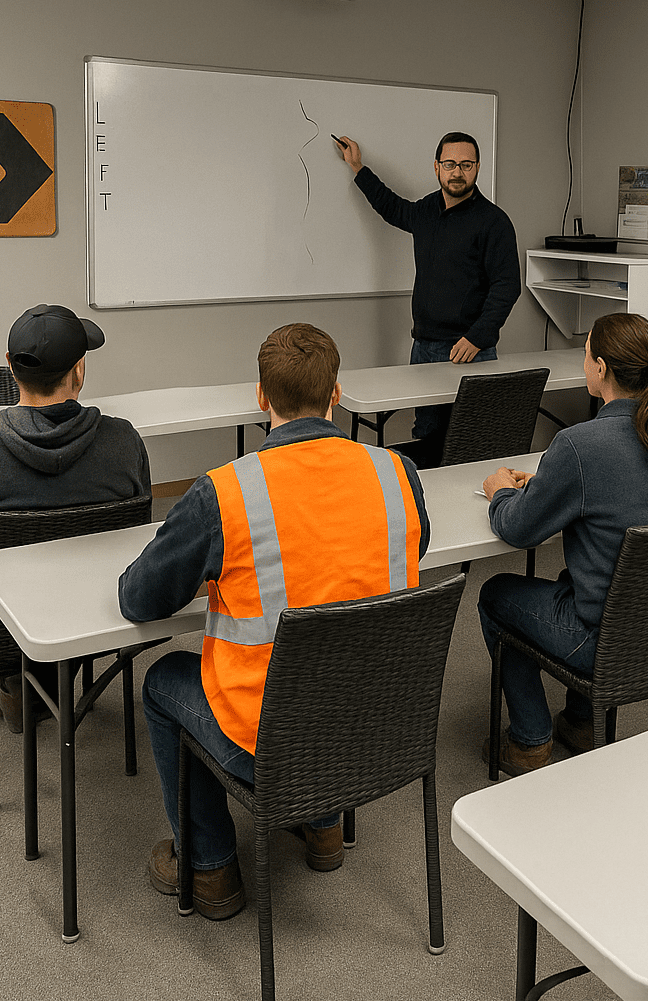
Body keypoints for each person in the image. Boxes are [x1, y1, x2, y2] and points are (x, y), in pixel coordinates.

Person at [118, 323, 430, 920]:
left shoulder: (224, 493)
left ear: (260, 397)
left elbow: (141, 599)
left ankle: (208, 868)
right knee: (331, 653)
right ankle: (323, 827)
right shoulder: (398, 473)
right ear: (336, 392)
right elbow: (408, 554)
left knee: (162, 683)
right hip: (376, 724)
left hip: (271, 740)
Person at [477, 313, 648, 775]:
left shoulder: (580, 444)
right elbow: (622, 492)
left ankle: (530, 741)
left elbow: (518, 529)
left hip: (602, 637)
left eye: (585, 353)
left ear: (600, 368)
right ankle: (580, 721)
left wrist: (501, 491)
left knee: (496, 595)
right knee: (571, 577)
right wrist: (552, 485)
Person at [0, 304, 151, 730]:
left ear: (10, 367)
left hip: (0, 631)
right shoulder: (124, 443)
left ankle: (20, 682)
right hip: (101, 618)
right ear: (79, 370)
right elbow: (140, 534)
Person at [334, 130, 521, 455]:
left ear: (477, 168)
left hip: (471, 353)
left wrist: (477, 336)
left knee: (472, 442)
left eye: (466, 164)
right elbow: (392, 208)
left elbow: (508, 286)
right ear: (436, 167)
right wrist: (358, 167)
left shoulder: (494, 222)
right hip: (424, 348)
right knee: (428, 437)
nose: (457, 172)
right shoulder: (426, 212)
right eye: (450, 164)